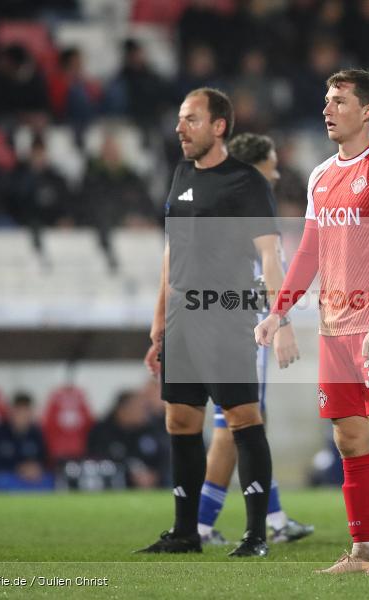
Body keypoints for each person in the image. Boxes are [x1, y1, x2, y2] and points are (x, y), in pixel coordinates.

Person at [255, 69, 369, 575]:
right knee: (348, 439)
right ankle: (362, 551)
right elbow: (309, 251)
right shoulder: (320, 175)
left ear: (367, 110)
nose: (327, 110)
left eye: (339, 101)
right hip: (334, 327)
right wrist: (279, 310)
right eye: (326, 101)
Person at [139, 88, 296, 557]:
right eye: (180, 120)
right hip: (182, 319)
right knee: (181, 420)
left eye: (190, 119)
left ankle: (255, 536)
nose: (180, 128)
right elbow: (173, 252)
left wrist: (280, 316)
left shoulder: (246, 183)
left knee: (244, 419)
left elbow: (270, 257)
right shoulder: (181, 173)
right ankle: (186, 532)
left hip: (226, 314)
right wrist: (158, 322)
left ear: (218, 126)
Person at [195, 132, 314, 545]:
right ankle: (201, 525)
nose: (277, 172)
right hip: (243, 332)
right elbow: (263, 276)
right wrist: (280, 323)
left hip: (227, 327)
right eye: (272, 164)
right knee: (238, 428)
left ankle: (276, 519)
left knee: (244, 428)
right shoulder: (250, 209)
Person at [87, 390, 167, 489]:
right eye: (139, 408)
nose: (144, 413)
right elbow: (97, 459)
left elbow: (164, 456)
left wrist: (154, 474)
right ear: (123, 409)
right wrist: (129, 475)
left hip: (152, 483)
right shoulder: (103, 431)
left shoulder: (149, 430)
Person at [0, 392, 48, 482]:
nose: (23, 414)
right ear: (11, 411)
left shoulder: (36, 433)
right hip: (2, 481)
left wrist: (35, 468)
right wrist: (18, 469)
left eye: (26, 410)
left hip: (30, 480)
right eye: (19, 410)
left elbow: (43, 459)